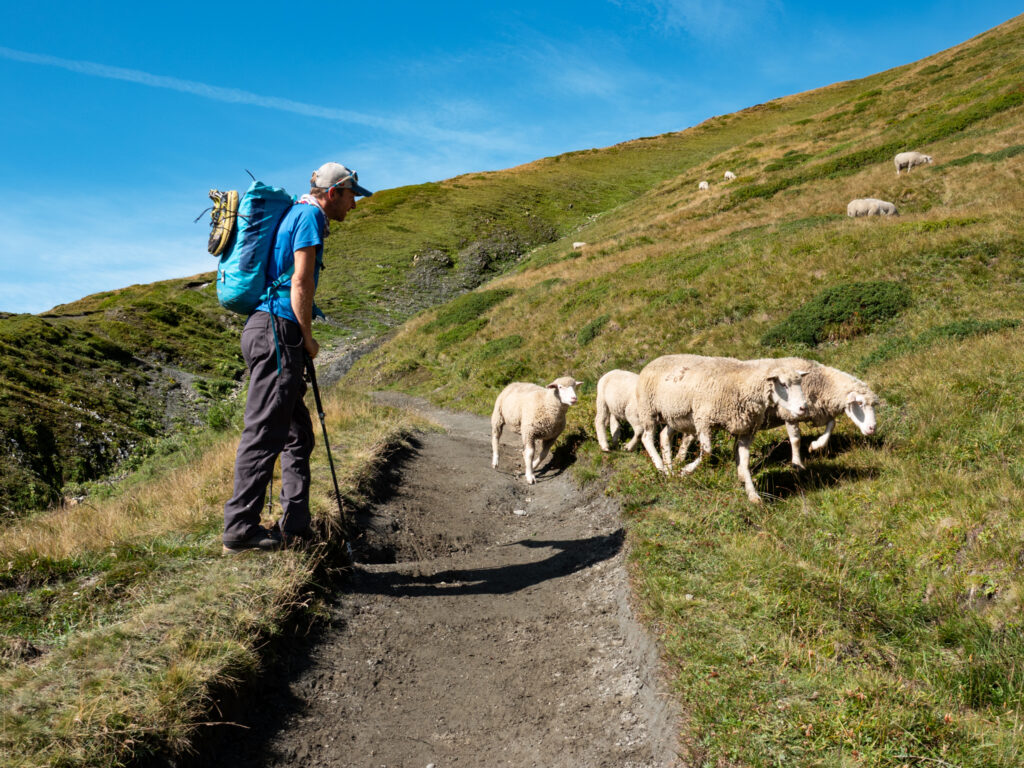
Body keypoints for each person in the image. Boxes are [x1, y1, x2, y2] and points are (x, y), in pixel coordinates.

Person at [222, 162, 373, 554]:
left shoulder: (297, 214)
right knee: (265, 432)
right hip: (279, 332)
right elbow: (301, 281)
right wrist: (307, 338)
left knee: (296, 434)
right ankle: (240, 528)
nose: (354, 205)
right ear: (334, 191)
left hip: (267, 330)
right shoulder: (308, 217)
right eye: (352, 195)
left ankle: (296, 526)